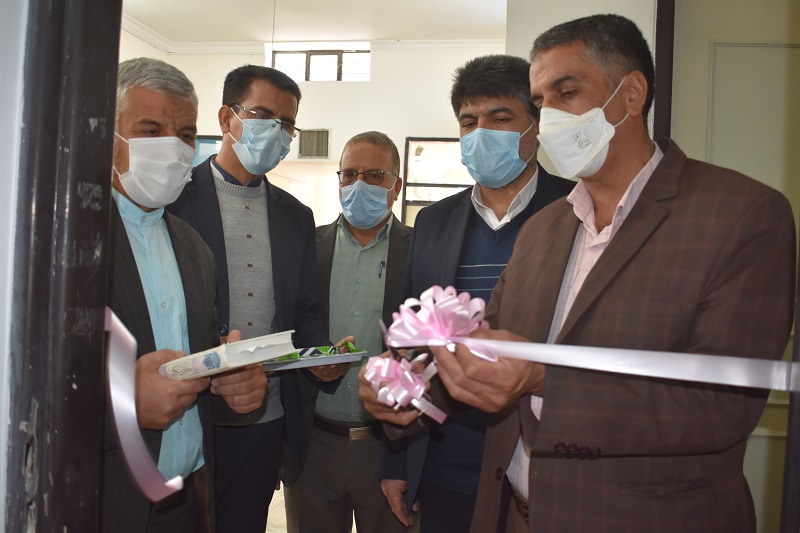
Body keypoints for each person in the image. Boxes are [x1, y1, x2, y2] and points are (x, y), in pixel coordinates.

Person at [374, 14, 796, 533]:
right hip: (511, 513)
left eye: (566, 93)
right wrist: (407, 390)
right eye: (541, 101)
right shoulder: (546, 228)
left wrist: (544, 380)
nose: (549, 115)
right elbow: (485, 350)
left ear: (631, 94)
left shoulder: (739, 215)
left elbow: (721, 403)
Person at [375, 55, 575, 533]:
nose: (481, 132)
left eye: (500, 118)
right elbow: (403, 343)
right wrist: (396, 461)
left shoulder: (576, 210)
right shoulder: (433, 221)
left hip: (542, 465)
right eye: (469, 122)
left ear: (536, 125)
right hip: (444, 465)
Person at [169, 64, 338, 532]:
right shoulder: (175, 199)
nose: (276, 131)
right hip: (190, 412)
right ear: (228, 118)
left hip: (265, 417)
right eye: (263, 116)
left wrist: (322, 355)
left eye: (287, 124)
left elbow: (303, 311)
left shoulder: (295, 215)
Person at [105, 57, 267, 532]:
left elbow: (198, 360)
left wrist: (234, 380)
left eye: (186, 135)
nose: (172, 148)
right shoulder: (62, 243)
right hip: (107, 501)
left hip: (190, 499)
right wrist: (120, 404)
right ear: (106, 136)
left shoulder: (194, 247)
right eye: (151, 130)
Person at [283, 131, 413, 532]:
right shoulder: (306, 246)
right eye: (350, 174)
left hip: (390, 447)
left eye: (374, 175)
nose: (359, 184)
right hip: (314, 446)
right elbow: (287, 325)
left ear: (396, 186)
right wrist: (310, 359)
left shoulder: (420, 249)